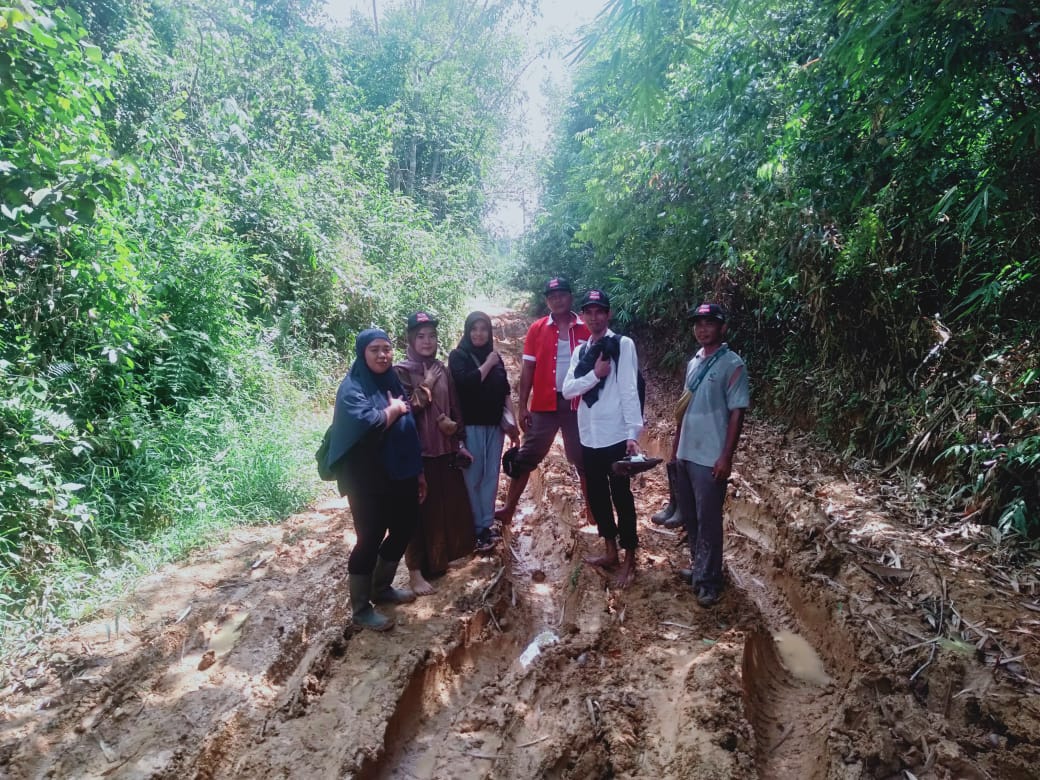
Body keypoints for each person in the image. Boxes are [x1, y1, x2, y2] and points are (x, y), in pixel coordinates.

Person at [325, 328, 425, 632]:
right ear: (362, 353)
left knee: (405, 525)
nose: (383, 355)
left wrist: (418, 471)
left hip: (400, 472)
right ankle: (360, 608)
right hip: (365, 478)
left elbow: (409, 428)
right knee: (369, 538)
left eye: (387, 349)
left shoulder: (391, 379)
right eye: (375, 350)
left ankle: (381, 588)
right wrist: (392, 410)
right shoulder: (352, 387)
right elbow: (367, 423)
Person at [562, 290, 644, 588]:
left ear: (608, 314)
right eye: (589, 312)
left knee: (622, 496)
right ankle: (610, 550)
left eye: (600, 311)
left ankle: (630, 557)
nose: (594, 317)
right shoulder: (581, 352)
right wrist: (595, 375)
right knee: (597, 494)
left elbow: (628, 389)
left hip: (615, 433)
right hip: (589, 433)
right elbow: (569, 389)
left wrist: (633, 433)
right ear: (583, 316)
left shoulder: (622, 345)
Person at [495, 277, 592, 525]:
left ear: (570, 297)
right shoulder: (537, 329)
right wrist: (522, 406)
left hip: (577, 405)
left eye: (561, 295)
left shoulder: (585, 328)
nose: (557, 300)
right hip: (544, 405)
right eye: (551, 297)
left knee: (583, 458)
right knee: (527, 456)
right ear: (547, 301)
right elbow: (528, 369)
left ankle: (593, 510)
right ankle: (509, 509)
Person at [671, 303, 749, 607]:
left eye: (709, 323)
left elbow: (737, 413)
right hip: (687, 453)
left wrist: (725, 456)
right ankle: (699, 568)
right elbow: (683, 409)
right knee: (690, 517)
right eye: (698, 323)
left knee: (709, 521)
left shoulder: (733, 364)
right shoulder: (693, 363)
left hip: (710, 456)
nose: (703, 328)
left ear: (722, 327)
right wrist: (676, 449)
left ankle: (710, 581)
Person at [395, 312, 476, 595]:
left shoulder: (442, 368)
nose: (427, 341)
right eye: (421, 336)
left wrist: (459, 436)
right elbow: (405, 409)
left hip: (444, 449)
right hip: (416, 453)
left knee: (443, 507)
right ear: (410, 339)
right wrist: (426, 385)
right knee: (416, 513)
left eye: (431, 335)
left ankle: (439, 562)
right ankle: (415, 572)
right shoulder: (400, 371)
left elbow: (455, 406)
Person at [448, 311, 520, 553]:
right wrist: (488, 363)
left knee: (491, 476)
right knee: (473, 477)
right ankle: (474, 526)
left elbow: (506, 391)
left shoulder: (496, 357)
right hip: (470, 426)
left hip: (495, 426)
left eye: (483, 329)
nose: (478, 334)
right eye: (474, 329)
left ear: (489, 332)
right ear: (467, 332)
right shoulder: (458, 356)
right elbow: (465, 383)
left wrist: (513, 426)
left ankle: (486, 525)